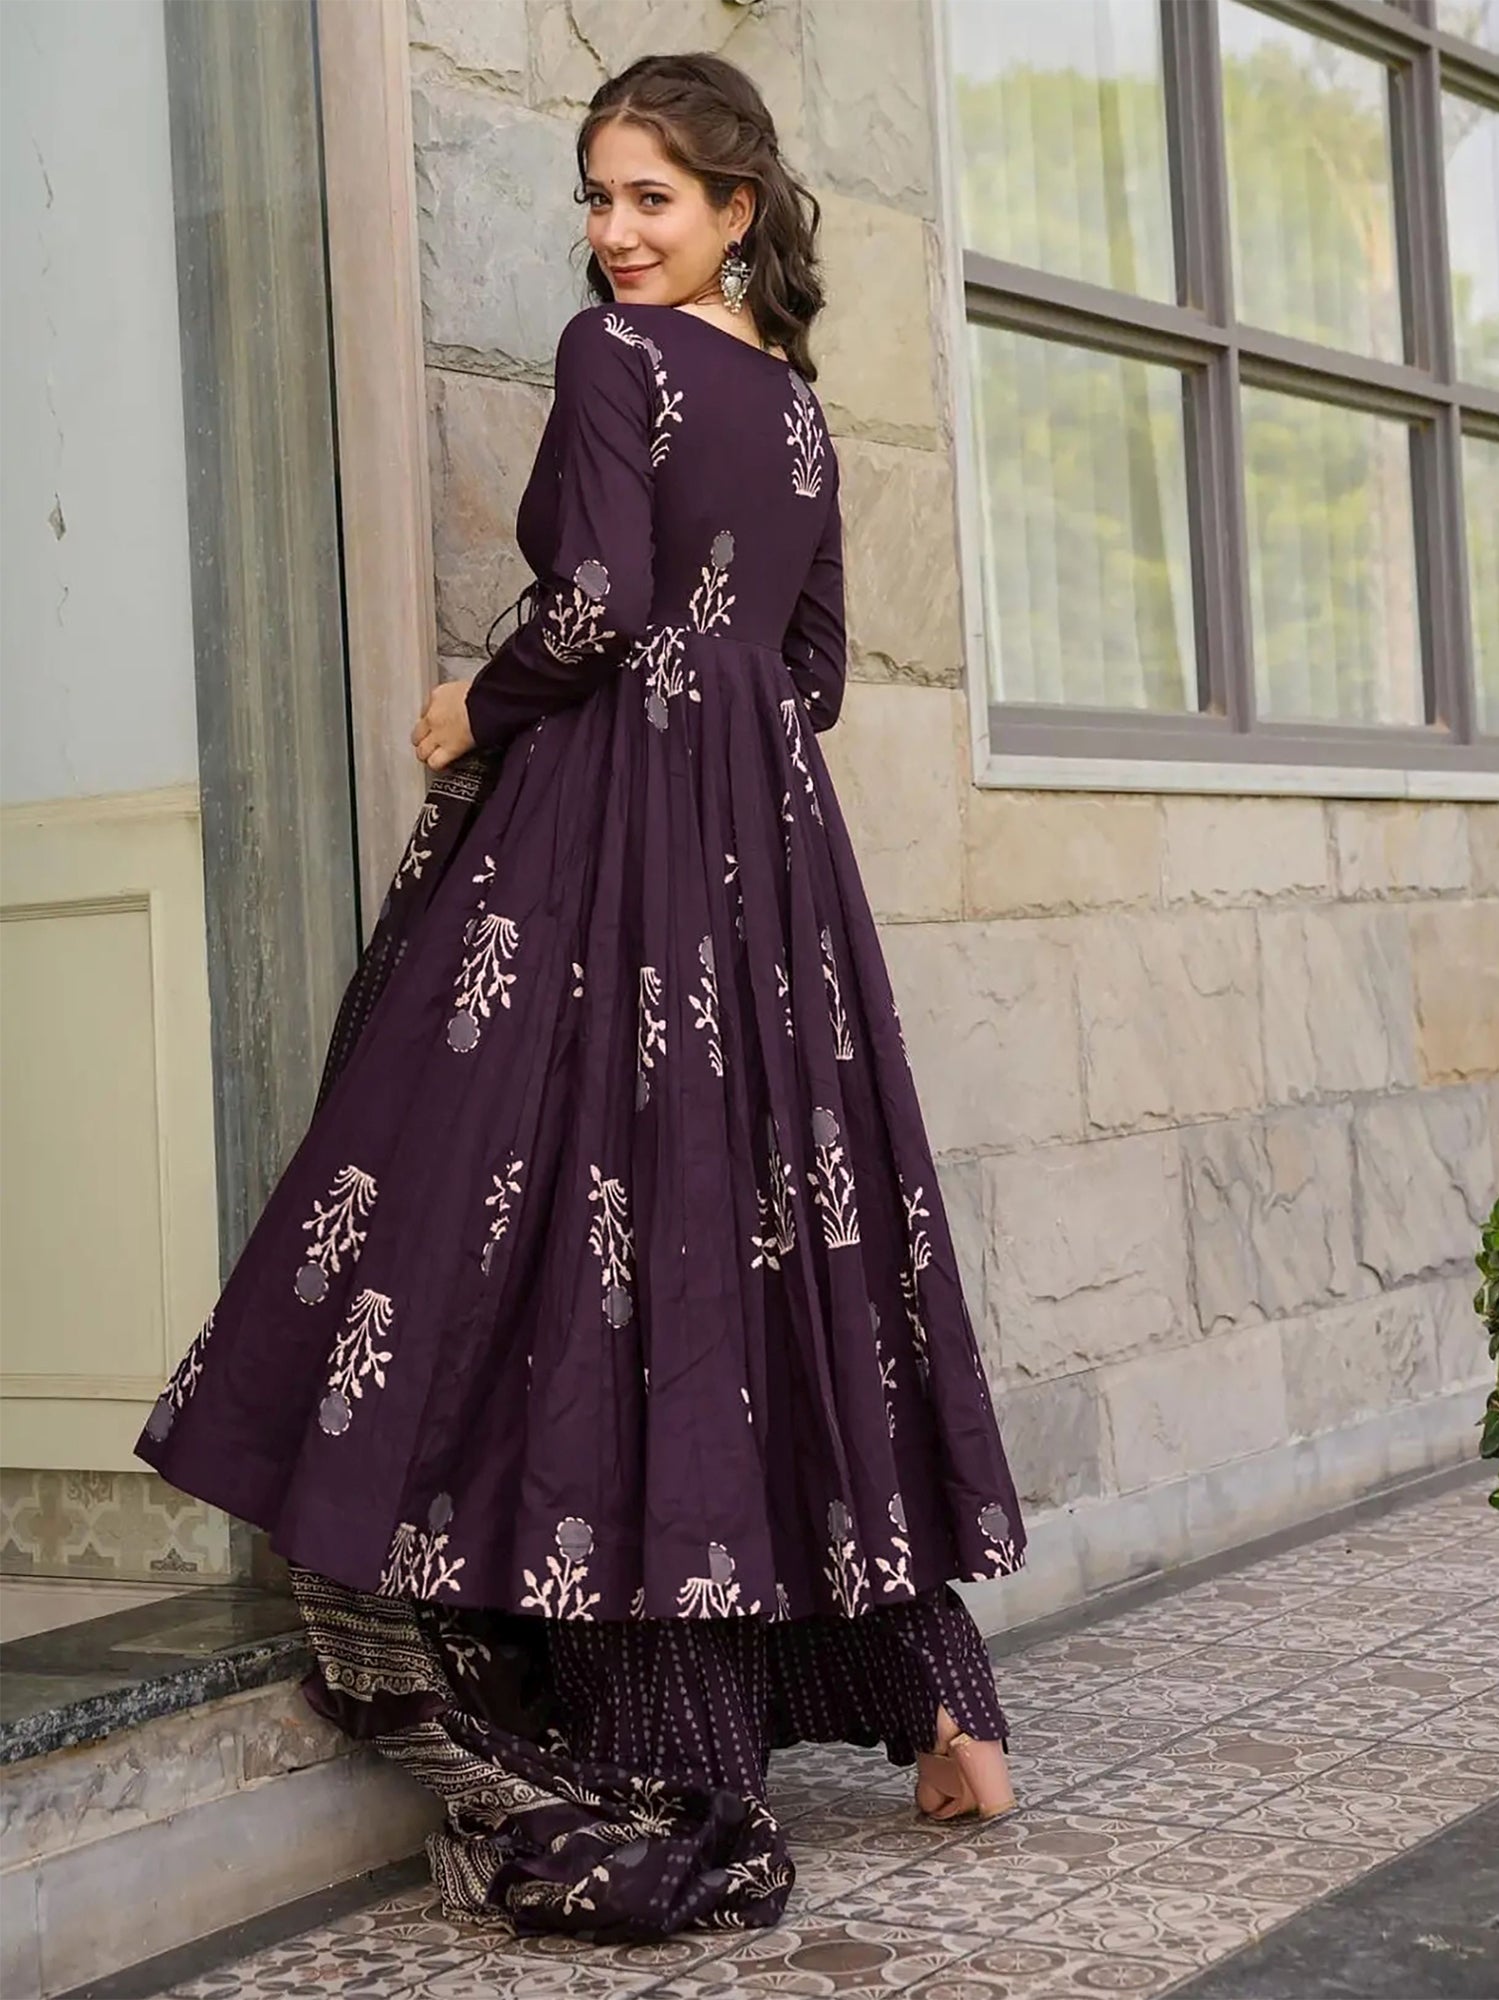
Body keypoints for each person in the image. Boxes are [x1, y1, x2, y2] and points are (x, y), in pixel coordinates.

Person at [136, 50, 1028, 1940]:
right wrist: (730, 750)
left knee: (568, 1211)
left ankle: (670, 1725)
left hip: (613, 835)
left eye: (652, 199)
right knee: (777, 1246)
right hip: (770, 870)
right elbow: (813, 674)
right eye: (597, 200)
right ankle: (946, 1706)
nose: (616, 235)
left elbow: (602, 602)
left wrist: (476, 705)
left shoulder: (613, 355)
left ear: (735, 210)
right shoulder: (796, 408)